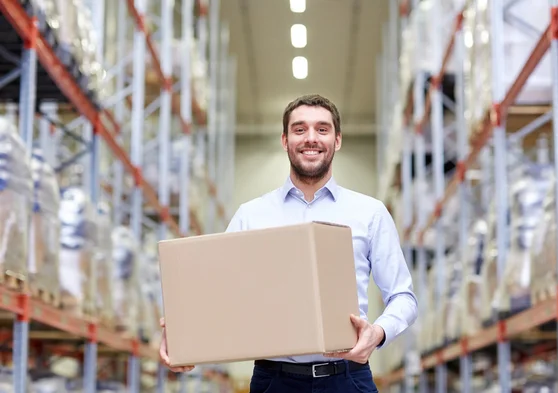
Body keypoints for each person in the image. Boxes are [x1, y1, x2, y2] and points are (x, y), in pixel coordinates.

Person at [159, 94, 418, 392]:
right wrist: (183, 335)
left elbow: (403, 297)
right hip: (274, 380)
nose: (311, 138)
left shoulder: (370, 213)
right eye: (299, 129)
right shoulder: (251, 215)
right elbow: (218, 295)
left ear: (337, 140)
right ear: (284, 140)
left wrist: (378, 333)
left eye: (322, 129)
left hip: (347, 378)